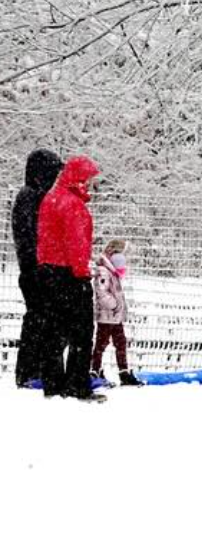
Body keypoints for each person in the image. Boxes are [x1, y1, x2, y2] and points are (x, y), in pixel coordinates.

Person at [36, 156, 102, 401]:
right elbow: (76, 243)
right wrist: (82, 273)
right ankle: (77, 385)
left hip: (48, 271)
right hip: (68, 273)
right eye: (90, 179)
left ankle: (53, 384)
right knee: (82, 333)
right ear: (80, 179)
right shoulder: (73, 205)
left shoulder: (50, 199)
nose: (93, 184)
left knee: (53, 330)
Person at [11, 149, 62, 389]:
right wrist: (40, 266)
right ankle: (30, 372)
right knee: (38, 321)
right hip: (35, 271)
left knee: (41, 321)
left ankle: (34, 370)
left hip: (37, 270)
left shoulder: (34, 196)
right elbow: (29, 238)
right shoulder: (29, 197)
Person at [90, 239, 138, 386]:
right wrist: (115, 305)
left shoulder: (112, 272)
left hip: (114, 317)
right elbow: (102, 293)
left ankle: (123, 372)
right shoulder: (104, 271)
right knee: (101, 344)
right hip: (107, 316)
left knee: (120, 343)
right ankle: (94, 371)